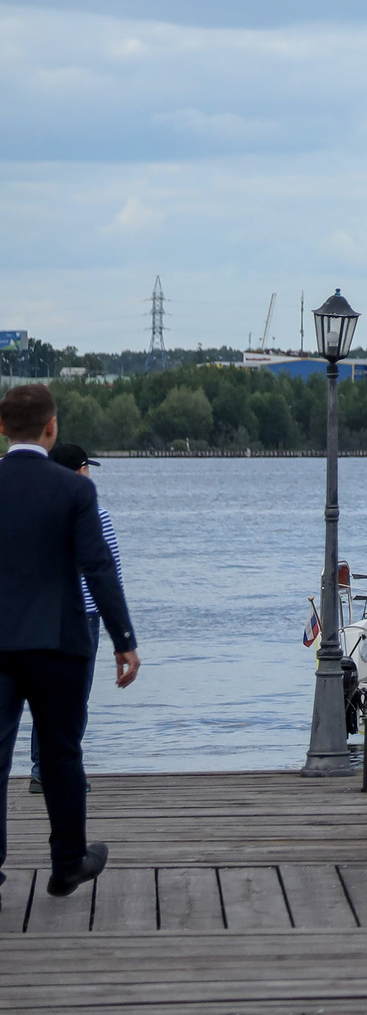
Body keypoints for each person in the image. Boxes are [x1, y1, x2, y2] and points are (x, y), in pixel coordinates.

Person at [0, 384, 139, 898]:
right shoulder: (76, 491)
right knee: (61, 754)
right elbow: (98, 567)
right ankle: (67, 862)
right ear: (51, 426)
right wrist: (122, 638)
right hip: (59, 641)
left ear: (1, 427)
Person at [30, 442, 118, 796]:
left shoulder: (36, 512)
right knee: (75, 696)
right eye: (86, 468)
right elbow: (109, 573)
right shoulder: (96, 513)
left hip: (43, 614)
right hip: (84, 617)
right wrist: (121, 634)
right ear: (80, 472)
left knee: (43, 695)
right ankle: (65, 770)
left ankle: (41, 769)